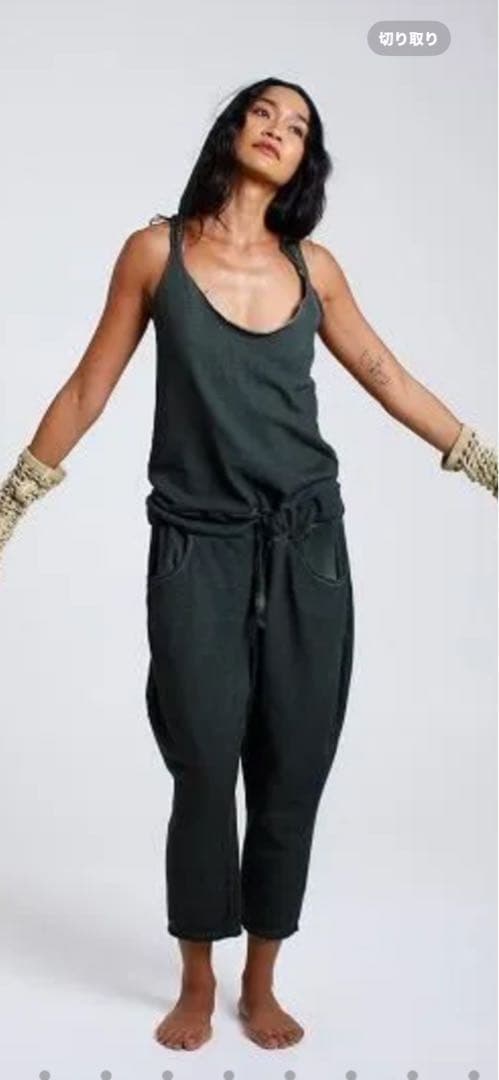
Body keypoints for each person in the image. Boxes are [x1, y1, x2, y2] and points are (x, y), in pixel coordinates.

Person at [0, 76, 496, 1054]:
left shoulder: (316, 269)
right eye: (263, 112)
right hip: (197, 544)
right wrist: (12, 500)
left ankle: (261, 980)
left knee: (293, 764)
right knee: (201, 761)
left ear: (304, 161)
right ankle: (196, 976)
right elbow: (90, 386)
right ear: (233, 131)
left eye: (297, 126)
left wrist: (487, 466)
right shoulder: (155, 253)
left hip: (308, 545)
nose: (277, 129)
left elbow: (388, 377)